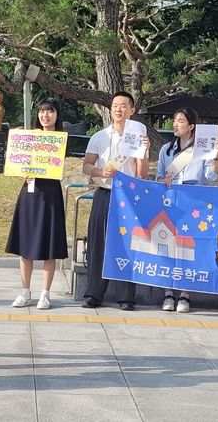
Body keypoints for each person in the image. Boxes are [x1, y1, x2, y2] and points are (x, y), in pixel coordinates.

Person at [82, 91, 149, 311]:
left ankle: (126, 297)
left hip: (128, 198)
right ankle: (93, 293)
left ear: (132, 110)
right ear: (110, 110)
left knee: (127, 245)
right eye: (115, 106)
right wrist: (101, 171)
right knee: (98, 244)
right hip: (104, 193)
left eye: (123, 106)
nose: (119, 110)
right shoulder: (99, 137)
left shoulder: (138, 136)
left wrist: (144, 151)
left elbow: (142, 175)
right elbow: (86, 166)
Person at [156, 107, 218, 313]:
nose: (176, 124)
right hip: (172, 204)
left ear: (192, 126)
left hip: (194, 205)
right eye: (174, 120)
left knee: (189, 248)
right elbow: (158, 176)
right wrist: (164, 180)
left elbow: (211, 178)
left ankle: (185, 294)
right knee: (168, 245)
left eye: (181, 121)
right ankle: (168, 292)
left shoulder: (203, 150)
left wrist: (217, 157)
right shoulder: (166, 150)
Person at [6, 98, 69, 310]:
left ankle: (45, 293)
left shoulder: (59, 139)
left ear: (57, 115)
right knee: (25, 245)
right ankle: (25, 291)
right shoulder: (29, 137)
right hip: (29, 193)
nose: (45, 115)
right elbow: (16, 161)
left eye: (50, 111)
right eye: (42, 111)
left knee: (48, 246)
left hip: (50, 194)